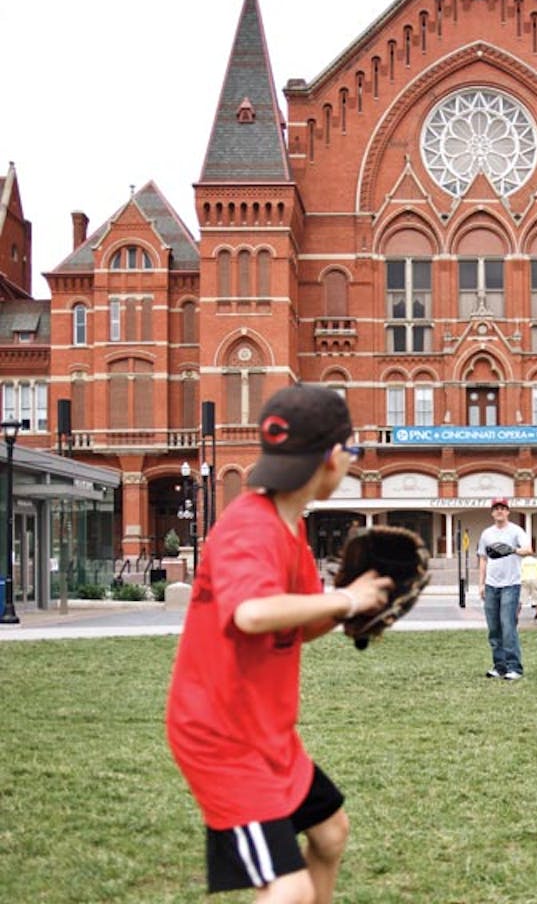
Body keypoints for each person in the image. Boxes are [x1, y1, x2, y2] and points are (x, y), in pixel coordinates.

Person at [166, 384, 393, 902]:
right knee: (287, 888)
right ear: (334, 458)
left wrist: (350, 612)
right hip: (220, 738)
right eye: (352, 453)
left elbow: (289, 623)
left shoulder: (288, 529)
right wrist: (345, 603)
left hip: (265, 731)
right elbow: (252, 613)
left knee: (331, 833)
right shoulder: (251, 526)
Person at [477, 497, 532, 679]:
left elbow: (528, 549)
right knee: (494, 628)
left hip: (511, 585)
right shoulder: (486, 534)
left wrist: (512, 550)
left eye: (503, 508)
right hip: (491, 585)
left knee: (508, 627)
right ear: (492, 512)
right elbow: (483, 558)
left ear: (508, 511)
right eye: (496, 508)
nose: (499, 511)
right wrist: (481, 583)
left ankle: (514, 667)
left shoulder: (516, 531)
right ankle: (499, 666)